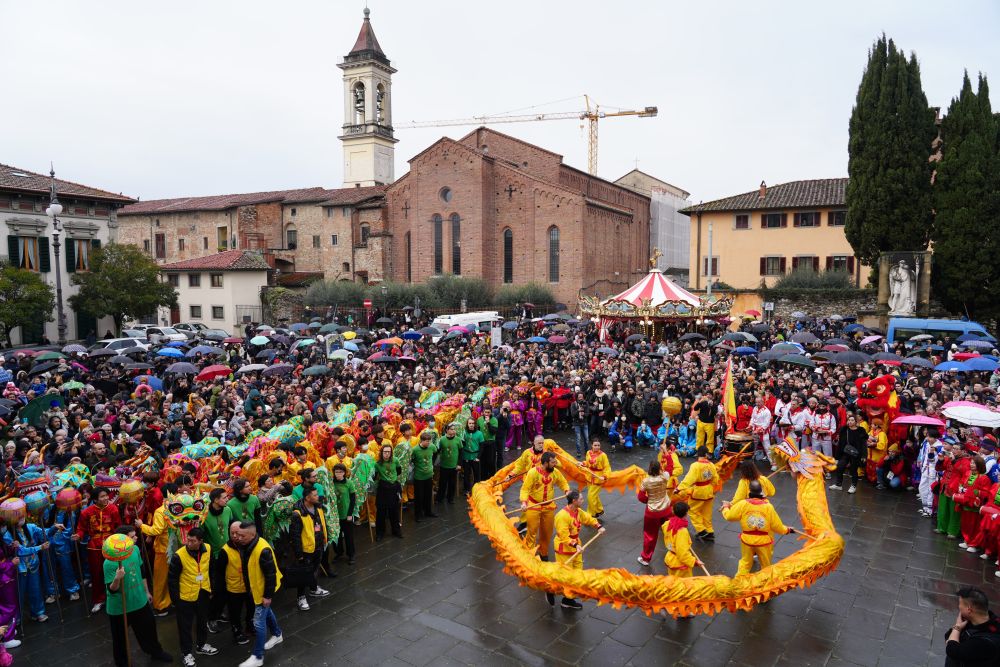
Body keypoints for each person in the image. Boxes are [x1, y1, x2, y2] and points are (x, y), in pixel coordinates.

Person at [105, 529, 172, 667]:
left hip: (139, 600)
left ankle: (155, 651)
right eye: (132, 537)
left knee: (149, 628)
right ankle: (122, 662)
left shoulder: (135, 549)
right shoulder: (109, 563)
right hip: (120, 607)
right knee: (120, 638)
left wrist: (147, 592)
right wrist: (117, 578)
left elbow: (141, 572)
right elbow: (112, 590)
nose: (136, 538)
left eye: (135, 535)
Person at [167, 527, 219, 666]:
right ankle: (186, 653)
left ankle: (201, 645)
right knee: (185, 626)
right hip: (185, 597)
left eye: (192, 541)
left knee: (202, 621)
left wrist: (212, 588)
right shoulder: (179, 555)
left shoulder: (208, 549)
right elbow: (172, 580)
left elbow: (212, 569)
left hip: (203, 592)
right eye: (188, 540)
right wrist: (176, 600)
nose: (188, 543)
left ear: (200, 541)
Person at [235, 522, 284, 667]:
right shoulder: (247, 545)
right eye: (237, 534)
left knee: (258, 623)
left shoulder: (263, 550)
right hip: (256, 589)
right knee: (267, 613)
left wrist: (267, 596)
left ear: (252, 534)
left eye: (241, 535)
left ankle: (257, 656)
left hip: (262, 591)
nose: (238, 537)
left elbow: (271, 575)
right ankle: (277, 634)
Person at [721, 480, 793, 575]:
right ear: (761, 491)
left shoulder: (743, 504)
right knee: (766, 565)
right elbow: (776, 526)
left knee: (745, 563)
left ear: (749, 490)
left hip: (747, 540)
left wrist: (726, 507)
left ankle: (739, 583)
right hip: (763, 542)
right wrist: (787, 530)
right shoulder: (768, 507)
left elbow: (730, 516)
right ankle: (765, 583)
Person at [552, 491, 605, 609]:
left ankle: (568, 598)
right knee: (566, 575)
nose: (583, 500)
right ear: (574, 501)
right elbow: (564, 536)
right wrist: (575, 545)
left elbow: (589, 519)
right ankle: (557, 593)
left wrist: (598, 526)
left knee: (577, 573)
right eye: (581, 499)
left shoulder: (578, 512)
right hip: (564, 549)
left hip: (576, 547)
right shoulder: (562, 516)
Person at [75, 486, 121, 613]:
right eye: (102, 496)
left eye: (106, 495)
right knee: (97, 574)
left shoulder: (113, 509)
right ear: (95, 499)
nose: (106, 498)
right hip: (94, 546)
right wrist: (78, 535)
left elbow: (118, 527)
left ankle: (115, 596)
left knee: (113, 571)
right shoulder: (86, 512)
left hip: (111, 544)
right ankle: (99, 599)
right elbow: (81, 528)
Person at [519, 451, 569, 561]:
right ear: (545, 463)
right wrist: (524, 502)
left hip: (549, 506)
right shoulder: (533, 473)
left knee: (547, 532)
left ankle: (543, 552)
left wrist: (566, 491)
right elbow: (525, 489)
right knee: (532, 531)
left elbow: (563, 482)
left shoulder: (555, 472)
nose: (555, 463)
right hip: (534, 505)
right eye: (553, 462)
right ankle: (529, 555)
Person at [288, 487, 330, 610]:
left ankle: (313, 588)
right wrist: (299, 554)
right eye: (315, 495)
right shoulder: (297, 514)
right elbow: (294, 536)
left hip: (318, 545)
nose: (318, 497)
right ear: (307, 498)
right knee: (303, 573)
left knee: (315, 569)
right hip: (306, 549)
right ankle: (301, 597)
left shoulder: (318, 507)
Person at [136, 483, 175, 616]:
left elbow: (156, 530)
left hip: (163, 549)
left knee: (160, 579)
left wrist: (142, 526)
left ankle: (160, 606)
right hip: (175, 547)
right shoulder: (177, 507)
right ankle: (170, 600)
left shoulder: (161, 510)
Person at [215, 522, 253, 646]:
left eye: (238, 533)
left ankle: (250, 625)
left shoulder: (250, 545)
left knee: (251, 609)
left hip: (250, 586)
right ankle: (237, 631)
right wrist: (221, 591)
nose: (235, 536)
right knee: (235, 613)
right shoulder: (225, 551)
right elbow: (220, 572)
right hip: (234, 588)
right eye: (232, 533)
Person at [201, 487, 232, 632]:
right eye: (224, 497)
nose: (227, 499)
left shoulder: (228, 510)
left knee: (228, 585)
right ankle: (211, 617)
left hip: (228, 553)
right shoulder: (204, 515)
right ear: (215, 500)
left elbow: (230, 528)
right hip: (212, 557)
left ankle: (219, 612)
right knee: (216, 588)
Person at [945, 587, 1000, 666]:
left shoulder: (982, 644)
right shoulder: (987, 619)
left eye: (959, 604)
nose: (959, 607)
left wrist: (957, 628)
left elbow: (951, 650)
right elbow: (948, 636)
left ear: (969, 609)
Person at [676, 446, 719, 541]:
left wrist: (679, 488)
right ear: (706, 454)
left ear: (698, 454)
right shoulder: (712, 465)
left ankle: (701, 530)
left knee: (692, 510)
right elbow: (715, 479)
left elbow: (689, 479)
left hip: (699, 491)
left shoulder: (695, 466)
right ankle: (710, 531)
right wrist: (710, 487)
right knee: (707, 513)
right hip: (709, 491)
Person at [637, 458, 673, 567]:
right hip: (666, 509)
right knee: (670, 531)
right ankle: (674, 551)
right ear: (659, 469)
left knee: (650, 536)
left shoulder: (646, 481)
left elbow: (641, 497)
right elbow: (670, 467)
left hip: (652, 512)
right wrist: (667, 454)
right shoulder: (664, 477)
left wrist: (650, 501)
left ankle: (646, 558)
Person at [829, 414, 867, 494]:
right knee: (840, 466)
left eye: (852, 420)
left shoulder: (861, 430)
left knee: (853, 470)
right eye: (849, 420)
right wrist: (837, 457)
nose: (850, 421)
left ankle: (853, 486)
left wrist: (864, 455)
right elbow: (840, 444)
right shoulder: (844, 429)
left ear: (856, 421)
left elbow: (864, 444)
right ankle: (838, 485)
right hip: (845, 452)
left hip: (856, 453)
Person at [662, 501, 702, 577]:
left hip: (670, 557)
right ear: (686, 513)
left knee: (673, 582)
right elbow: (682, 554)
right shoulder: (682, 531)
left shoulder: (667, 523)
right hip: (679, 564)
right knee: (684, 585)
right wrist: (694, 561)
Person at [372, 444, 403, 540]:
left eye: (388, 452)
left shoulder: (396, 460)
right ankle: (380, 533)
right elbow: (374, 477)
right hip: (383, 489)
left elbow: (399, 471)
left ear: (391, 453)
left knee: (394, 511)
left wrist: (392, 479)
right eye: (385, 452)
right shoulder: (377, 464)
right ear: (382, 453)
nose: (387, 454)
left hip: (393, 487)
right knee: (381, 512)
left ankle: (396, 531)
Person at [330, 464, 356, 564]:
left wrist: (350, 514)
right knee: (337, 536)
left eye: (341, 472)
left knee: (349, 536)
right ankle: (338, 553)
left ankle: (351, 554)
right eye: (336, 472)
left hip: (346, 514)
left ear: (344, 473)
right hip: (335, 515)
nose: (338, 474)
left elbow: (353, 499)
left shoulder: (349, 483)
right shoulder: (331, 483)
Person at [411, 430, 438, 522]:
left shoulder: (432, 447)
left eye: (429, 441)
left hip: (429, 475)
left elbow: (435, 453)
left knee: (428, 495)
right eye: (427, 441)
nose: (428, 443)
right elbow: (411, 460)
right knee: (419, 496)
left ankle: (428, 511)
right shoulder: (415, 450)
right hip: (419, 477)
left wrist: (432, 465)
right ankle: (418, 514)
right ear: (421, 441)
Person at [581, 439, 610, 518]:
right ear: (592, 445)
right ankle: (599, 510)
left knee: (590, 496)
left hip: (598, 479)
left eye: (598, 445)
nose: (597, 447)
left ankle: (591, 513)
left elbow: (607, 467)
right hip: (589, 477)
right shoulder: (588, 453)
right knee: (594, 496)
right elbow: (587, 463)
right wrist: (582, 463)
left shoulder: (603, 455)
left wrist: (604, 476)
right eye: (595, 445)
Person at [436, 423, 462, 504]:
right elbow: (437, 451)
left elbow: (461, 452)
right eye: (451, 429)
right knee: (442, 483)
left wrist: (459, 464)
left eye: (454, 429)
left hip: (454, 466)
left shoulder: (458, 439)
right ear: (447, 430)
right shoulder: (442, 439)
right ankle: (440, 498)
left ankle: (450, 499)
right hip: (444, 465)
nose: (453, 431)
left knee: (452, 483)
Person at [461, 417, 483, 494]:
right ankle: (466, 489)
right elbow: (462, 444)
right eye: (470, 423)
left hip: (475, 456)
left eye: (473, 423)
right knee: (466, 474)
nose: (471, 425)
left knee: (477, 473)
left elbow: (482, 446)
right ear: (467, 424)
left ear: (475, 424)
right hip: (466, 456)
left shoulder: (479, 433)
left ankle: (476, 489)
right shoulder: (464, 433)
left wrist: (478, 457)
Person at [477, 406, 499, 480]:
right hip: (482, 443)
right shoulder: (479, 419)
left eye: (488, 412)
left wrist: (488, 423)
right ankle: (483, 479)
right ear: (483, 412)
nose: (486, 414)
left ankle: (492, 479)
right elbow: (478, 430)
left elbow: (494, 432)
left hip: (491, 443)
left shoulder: (494, 420)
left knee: (491, 462)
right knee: (483, 462)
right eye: (485, 412)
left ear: (491, 413)